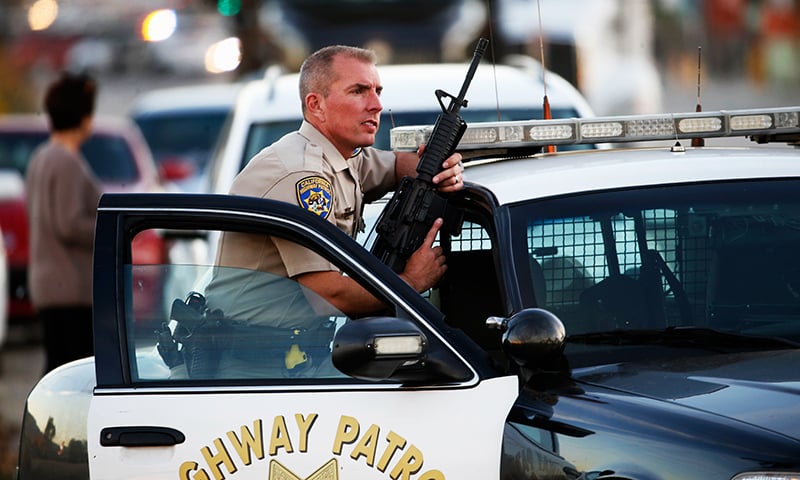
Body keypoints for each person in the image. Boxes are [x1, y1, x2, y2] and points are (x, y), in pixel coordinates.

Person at [206, 44, 465, 323]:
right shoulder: (302, 174)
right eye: (358, 91)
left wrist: (442, 170)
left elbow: (394, 166)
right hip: (249, 356)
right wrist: (411, 282)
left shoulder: (342, 157)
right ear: (316, 105)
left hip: (287, 353)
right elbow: (328, 297)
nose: (376, 104)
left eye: (377, 91)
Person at [25, 72, 102, 374]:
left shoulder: (41, 157)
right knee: (73, 375)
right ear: (83, 116)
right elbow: (68, 223)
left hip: (47, 285)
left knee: (55, 370)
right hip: (70, 286)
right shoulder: (67, 161)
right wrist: (109, 231)